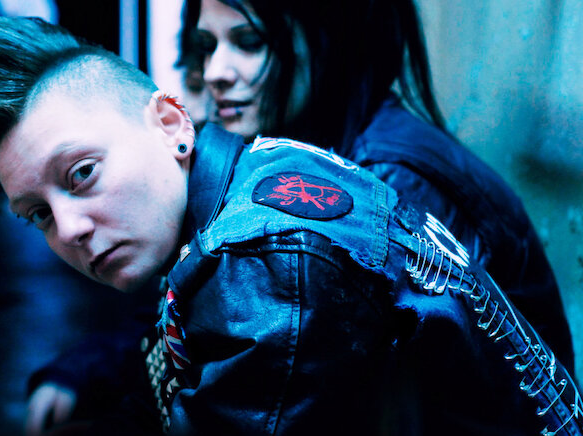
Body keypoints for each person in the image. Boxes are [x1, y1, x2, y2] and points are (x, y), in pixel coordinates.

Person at [0, 16, 582, 436]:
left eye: (82, 173)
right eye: (37, 213)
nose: (68, 229)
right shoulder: (257, 172)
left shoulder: (266, 262)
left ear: (171, 124)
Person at [179, 0, 574, 370]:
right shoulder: (314, 155)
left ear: (327, 39)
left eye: (249, 42)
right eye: (206, 46)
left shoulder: (390, 184)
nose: (215, 71)